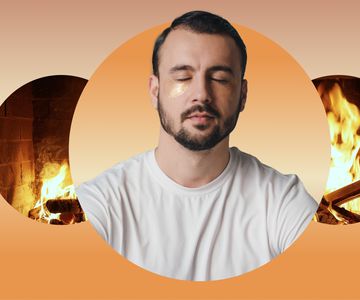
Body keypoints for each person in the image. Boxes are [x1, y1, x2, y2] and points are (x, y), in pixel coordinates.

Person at [76, 10, 317, 281]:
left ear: (243, 95)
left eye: (220, 79)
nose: (201, 94)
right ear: (155, 91)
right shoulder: (103, 200)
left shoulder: (281, 199)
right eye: (182, 77)